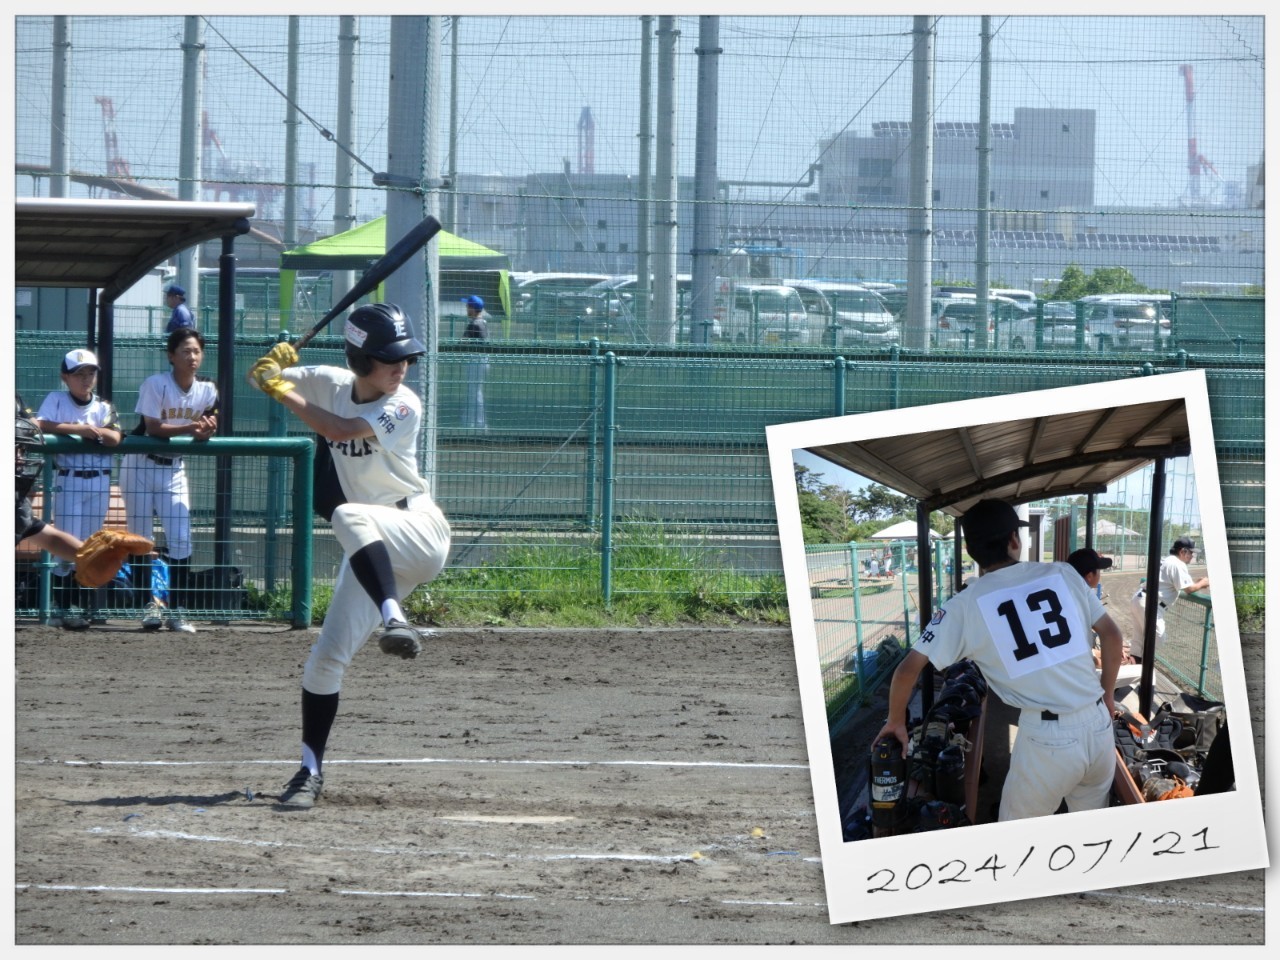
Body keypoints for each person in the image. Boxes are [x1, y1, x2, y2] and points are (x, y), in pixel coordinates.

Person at [246, 302, 452, 810]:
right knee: (324, 661)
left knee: (347, 514)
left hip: (417, 531)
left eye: (406, 357)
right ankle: (309, 772)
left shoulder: (405, 403)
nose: (401, 366)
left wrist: (281, 390)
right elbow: (259, 379)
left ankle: (394, 618)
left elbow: (339, 430)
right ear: (360, 360)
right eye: (389, 357)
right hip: (370, 549)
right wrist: (270, 367)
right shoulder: (328, 382)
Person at [876, 499, 1126, 822]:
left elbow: (906, 670)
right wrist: (1107, 695)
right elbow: (1113, 636)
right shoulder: (1063, 572)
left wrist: (896, 720)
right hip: (1098, 724)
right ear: (1014, 540)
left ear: (969, 550)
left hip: (1048, 738)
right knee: (1090, 828)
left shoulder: (965, 604)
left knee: (1016, 835)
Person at [119, 327, 219, 634]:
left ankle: (177, 610)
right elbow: (152, 427)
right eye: (185, 351)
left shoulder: (207, 389)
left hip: (173, 467)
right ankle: (148, 607)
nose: (192, 356)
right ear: (171, 356)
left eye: (197, 351)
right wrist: (191, 428)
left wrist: (207, 429)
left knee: (181, 537)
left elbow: (210, 422)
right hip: (140, 464)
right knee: (141, 538)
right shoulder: (156, 384)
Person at [34, 350, 123, 629]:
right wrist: (79, 429)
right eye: (79, 374)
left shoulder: (103, 406)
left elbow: (115, 436)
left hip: (99, 481)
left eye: (90, 373)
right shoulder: (56, 399)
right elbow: (39, 424)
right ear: (65, 377)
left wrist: (93, 431)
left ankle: (77, 606)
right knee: (67, 547)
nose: (86, 379)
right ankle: (62, 606)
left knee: (88, 546)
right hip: (69, 479)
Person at [1067, 547, 1142, 688]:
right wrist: (1112, 662)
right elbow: (1111, 637)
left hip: (1057, 676)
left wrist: (1107, 653)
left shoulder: (1063, 593)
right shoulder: (1083, 598)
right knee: (1145, 673)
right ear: (1090, 576)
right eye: (1098, 570)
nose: (1099, 574)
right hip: (1077, 682)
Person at [1128, 536, 1210, 664]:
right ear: (1182, 551)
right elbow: (1189, 589)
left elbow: (1178, 583)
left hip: (1142, 599)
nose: (1192, 556)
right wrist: (1203, 583)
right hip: (1149, 604)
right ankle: (1143, 670)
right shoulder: (1177, 564)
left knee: (1139, 642)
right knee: (1157, 638)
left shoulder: (1169, 560)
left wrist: (1196, 584)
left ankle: (1137, 668)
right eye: (1191, 552)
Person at [460, 294, 490, 430]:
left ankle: (477, 422)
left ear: (473, 308)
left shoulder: (474, 324)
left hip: (476, 360)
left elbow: (463, 342)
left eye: (468, 306)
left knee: (474, 392)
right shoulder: (483, 322)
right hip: (482, 360)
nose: (466, 308)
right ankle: (473, 421)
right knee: (475, 391)